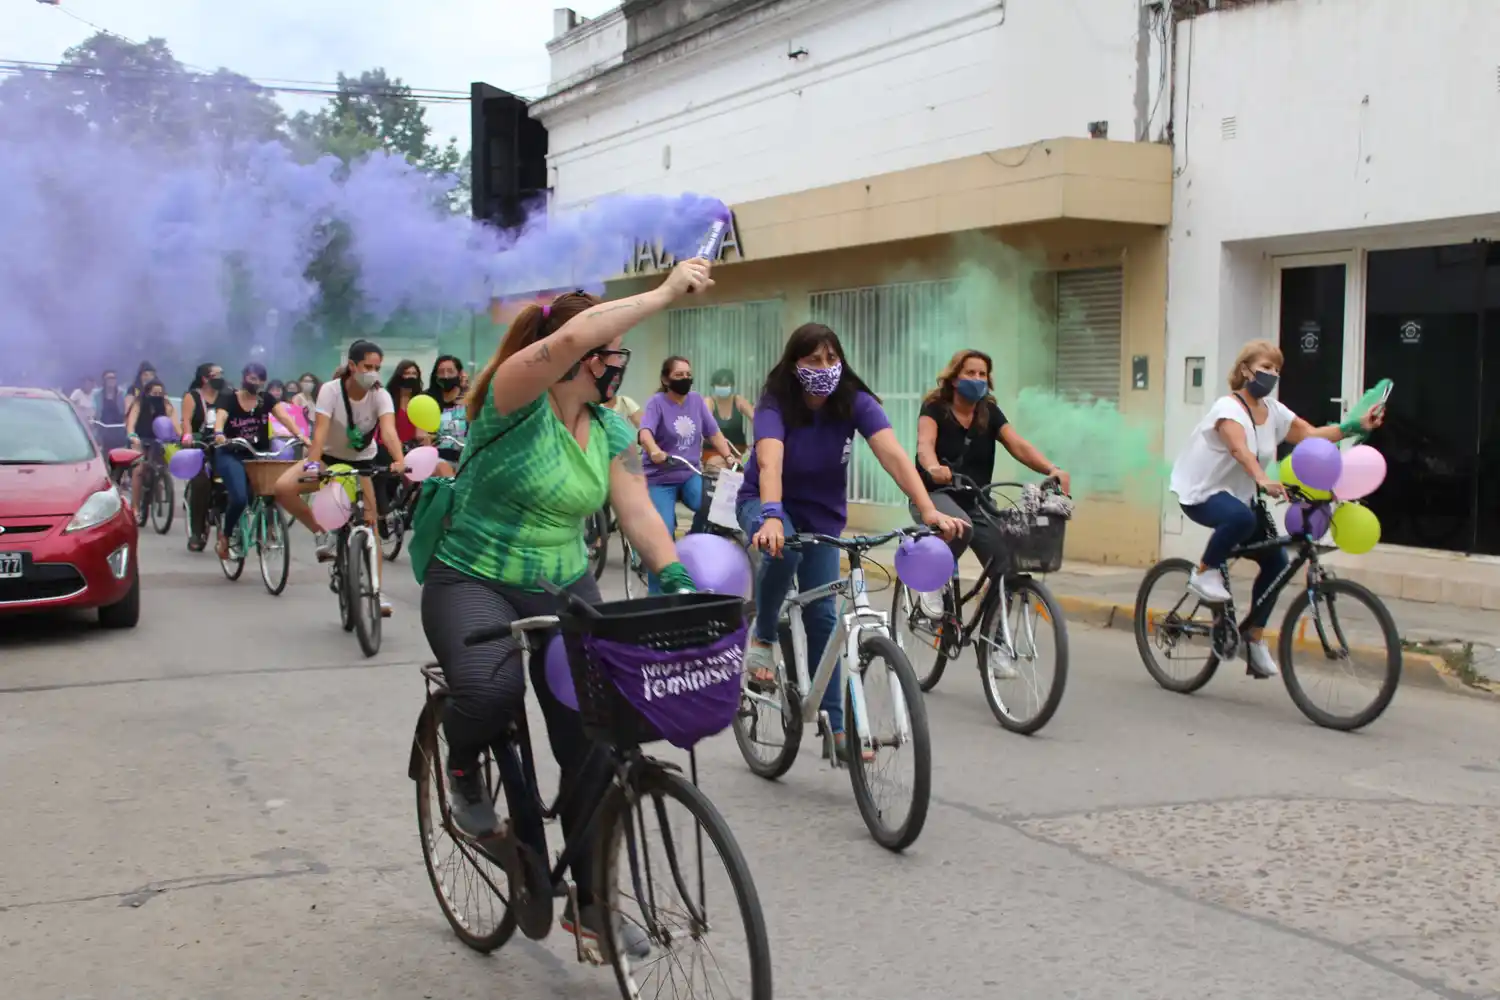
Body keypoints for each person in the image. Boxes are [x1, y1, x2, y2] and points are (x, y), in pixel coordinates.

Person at [420, 261, 711, 952]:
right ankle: (462, 768)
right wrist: (665, 292)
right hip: (471, 575)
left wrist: (671, 573)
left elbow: (636, 509)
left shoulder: (609, 430)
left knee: (592, 737)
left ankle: (590, 904)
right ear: (579, 355)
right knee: (490, 690)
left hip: (563, 583)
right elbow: (580, 326)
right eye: (609, 355)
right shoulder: (513, 396)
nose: (617, 367)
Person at [736, 323, 965, 760]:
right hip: (767, 505)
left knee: (824, 614)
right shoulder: (775, 403)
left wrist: (929, 509)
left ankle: (838, 731)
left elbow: (894, 454)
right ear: (794, 365)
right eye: (812, 360)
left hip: (822, 516)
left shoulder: (853, 401)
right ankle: (763, 639)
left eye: (831, 359)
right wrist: (770, 518)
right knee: (784, 549)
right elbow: (769, 464)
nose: (824, 368)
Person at [1168, 340, 1384, 678]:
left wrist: (1358, 426)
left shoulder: (1274, 412)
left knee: (1277, 562)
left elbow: (1312, 435)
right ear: (1245, 370)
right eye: (1266, 367)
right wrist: (1263, 479)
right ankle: (1205, 570)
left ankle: (1251, 639)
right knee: (1239, 517)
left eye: (1277, 370)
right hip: (1202, 493)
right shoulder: (1228, 409)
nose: (1272, 375)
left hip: (1239, 498)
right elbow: (1241, 451)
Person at [274, 342, 405, 612]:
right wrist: (313, 462)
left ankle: (376, 591)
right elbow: (320, 432)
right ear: (352, 366)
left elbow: (389, 431)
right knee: (283, 487)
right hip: (328, 459)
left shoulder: (381, 395)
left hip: (363, 463)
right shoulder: (330, 391)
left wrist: (400, 460)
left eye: (378, 368)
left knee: (371, 528)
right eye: (368, 367)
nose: (373, 373)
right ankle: (322, 533)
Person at [915, 349, 1071, 572]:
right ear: (955, 378)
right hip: (934, 495)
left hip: (976, 499)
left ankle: (996, 601)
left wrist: (1052, 469)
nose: (977, 379)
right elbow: (925, 444)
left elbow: (1018, 445)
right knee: (960, 527)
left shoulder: (988, 412)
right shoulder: (935, 408)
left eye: (982, 374)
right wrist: (933, 467)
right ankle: (934, 584)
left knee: (1008, 559)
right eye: (970, 373)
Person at [213, 362, 310, 560]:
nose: (252, 382)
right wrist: (218, 432)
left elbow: (284, 417)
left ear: (263, 382)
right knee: (239, 498)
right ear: (243, 378)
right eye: (249, 378)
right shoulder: (229, 397)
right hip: (231, 452)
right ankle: (226, 534)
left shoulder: (266, 399)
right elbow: (221, 416)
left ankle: (267, 528)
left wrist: (301, 436)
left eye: (257, 379)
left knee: (271, 491)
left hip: (257, 454)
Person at [180, 363, 226, 552]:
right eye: (217, 374)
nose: (221, 377)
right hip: (201, 444)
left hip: (222, 443)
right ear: (205, 378)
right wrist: (188, 436)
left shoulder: (227, 395)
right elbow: (187, 422)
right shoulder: (192, 397)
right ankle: (197, 531)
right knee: (201, 483)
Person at [124, 379, 181, 515]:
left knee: (163, 464)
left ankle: (160, 483)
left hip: (160, 440)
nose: (157, 395)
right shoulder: (139, 402)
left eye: (160, 393)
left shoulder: (166, 405)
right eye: (154, 392)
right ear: (147, 392)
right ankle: (135, 507)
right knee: (139, 470)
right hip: (141, 438)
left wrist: (182, 436)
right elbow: (131, 422)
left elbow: (175, 424)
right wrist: (132, 435)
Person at [426, 354, 469, 476]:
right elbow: (420, 431)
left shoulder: (469, 399)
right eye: (441, 372)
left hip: (465, 458)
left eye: (450, 371)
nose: (446, 376)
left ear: (460, 374)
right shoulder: (428, 399)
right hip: (436, 459)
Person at [706, 367, 755, 463]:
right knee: (718, 465)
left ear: (732, 385)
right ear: (713, 386)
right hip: (713, 452)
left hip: (738, 452)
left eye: (725, 384)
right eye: (719, 384)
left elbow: (757, 420)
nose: (722, 387)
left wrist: (758, 443)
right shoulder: (709, 402)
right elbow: (706, 426)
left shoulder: (738, 400)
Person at [91, 369, 128, 449]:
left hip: (119, 430)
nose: (112, 380)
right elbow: (93, 409)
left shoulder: (122, 393)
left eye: (114, 378)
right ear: (104, 380)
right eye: (109, 378)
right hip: (103, 430)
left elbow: (127, 410)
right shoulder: (97, 395)